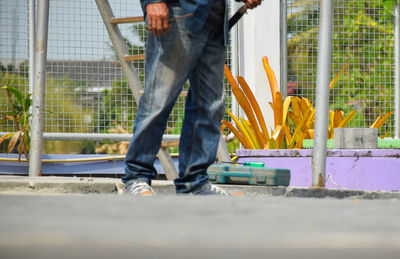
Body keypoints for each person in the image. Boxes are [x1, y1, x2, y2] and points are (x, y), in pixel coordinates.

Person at [123, 0, 262, 196]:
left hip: (215, 20)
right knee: (158, 100)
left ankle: (194, 183)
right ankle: (136, 177)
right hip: (178, 14)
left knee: (209, 106)